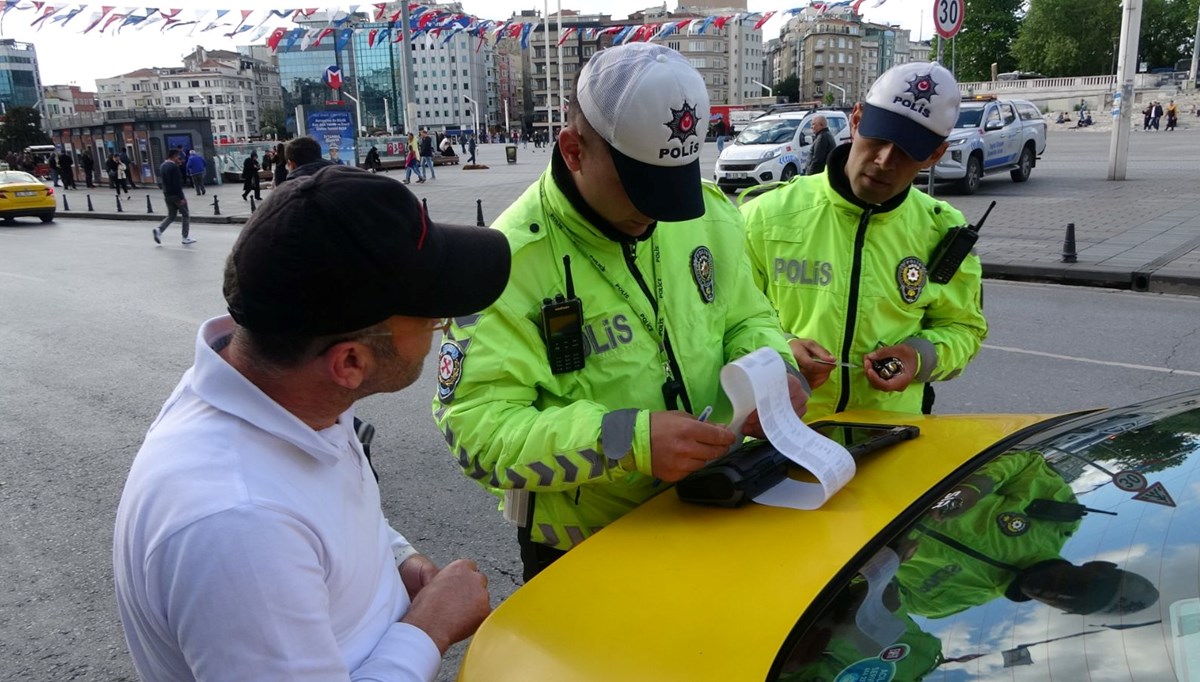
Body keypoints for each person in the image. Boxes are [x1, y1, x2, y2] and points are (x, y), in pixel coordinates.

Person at [113, 165, 511, 680]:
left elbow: (328, 515)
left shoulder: (284, 397)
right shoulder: (239, 526)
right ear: (350, 363)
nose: (440, 331)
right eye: (434, 318)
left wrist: (397, 561)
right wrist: (430, 628)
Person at [432, 42, 808, 581]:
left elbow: (747, 318)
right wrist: (624, 443)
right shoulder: (506, 263)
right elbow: (475, 432)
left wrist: (777, 374)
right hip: (587, 555)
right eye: (640, 186)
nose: (657, 211)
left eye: (670, 186)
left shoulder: (705, 215)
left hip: (719, 509)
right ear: (572, 149)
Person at [741, 61, 988, 420]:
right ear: (856, 120)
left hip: (892, 441)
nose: (885, 160)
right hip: (784, 437)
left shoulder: (945, 231)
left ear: (935, 155)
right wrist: (779, 350)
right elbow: (725, 323)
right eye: (880, 137)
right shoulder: (765, 215)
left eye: (908, 150)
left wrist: (918, 357)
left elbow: (965, 328)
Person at [894, 450, 1159, 619]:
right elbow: (1026, 463)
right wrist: (978, 486)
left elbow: (874, 601)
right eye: (1077, 588)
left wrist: (883, 562)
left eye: (1071, 604)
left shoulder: (945, 602)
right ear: (1096, 566)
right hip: (897, 466)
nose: (1058, 595)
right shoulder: (1057, 517)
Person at [151, 149, 193, 246]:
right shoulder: (173, 167)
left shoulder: (163, 166)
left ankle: (159, 229)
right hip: (176, 195)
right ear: (174, 156)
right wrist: (182, 197)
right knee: (185, 214)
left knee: (171, 215)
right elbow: (176, 184)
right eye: (178, 157)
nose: (179, 159)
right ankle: (185, 237)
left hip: (167, 194)